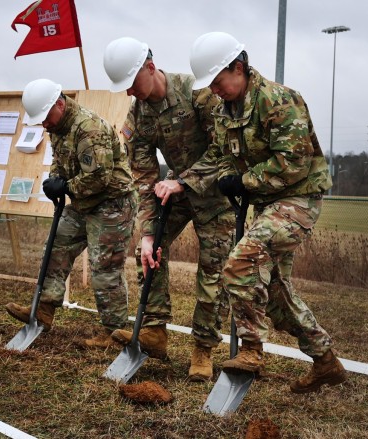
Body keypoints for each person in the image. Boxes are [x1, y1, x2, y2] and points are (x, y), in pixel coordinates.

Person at [188, 32, 347, 393]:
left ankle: (251, 352)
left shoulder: (278, 100)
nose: (214, 90)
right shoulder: (224, 110)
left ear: (239, 68)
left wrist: (243, 180)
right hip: (267, 201)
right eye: (210, 84)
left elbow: (293, 162)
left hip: (299, 197)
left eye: (217, 81)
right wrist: (185, 182)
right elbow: (219, 155)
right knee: (273, 290)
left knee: (239, 265)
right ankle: (325, 361)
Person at [102, 37, 236, 381]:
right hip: (176, 190)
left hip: (216, 192)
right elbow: (144, 181)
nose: (130, 93)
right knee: (148, 250)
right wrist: (148, 234)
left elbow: (225, 148)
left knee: (213, 269)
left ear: (150, 68)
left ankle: (203, 349)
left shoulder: (197, 93)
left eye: (132, 84)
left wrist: (184, 180)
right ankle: (155, 331)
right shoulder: (138, 118)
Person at [5, 78, 137, 349]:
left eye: (44, 116)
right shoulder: (57, 125)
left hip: (112, 203)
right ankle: (44, 310)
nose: (43, 124)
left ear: (60, 104)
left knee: (104, 267)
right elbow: (59, 160)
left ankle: (114, 332)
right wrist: (54, 179)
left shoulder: (89, 128)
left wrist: (67, 186)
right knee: (56, 246)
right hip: (82, 201)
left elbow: (99, 177)